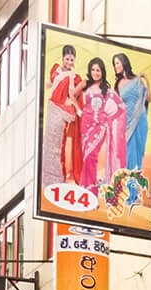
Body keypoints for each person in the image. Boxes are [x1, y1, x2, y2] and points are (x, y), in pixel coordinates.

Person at [77, 56, 126, 190]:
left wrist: (108, 118)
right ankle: (85, 185)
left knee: (91, 156)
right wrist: (78, 110)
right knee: (85, 156)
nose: (95, 73)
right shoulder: (85, 84)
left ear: (102, 71)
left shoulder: (107, 90)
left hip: (100, 126)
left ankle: (90, 187)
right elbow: (72, 94)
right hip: (86, 125)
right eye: (93, 70)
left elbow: (120, 107)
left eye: (98, 70)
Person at [40, 43, 84, 191]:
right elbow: (48, 84)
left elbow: (72, 95)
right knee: (48, 144)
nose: (69, 62)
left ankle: (58, 178)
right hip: (52, 108)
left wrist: (77, 109)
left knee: (59, 144)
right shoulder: (56, 69)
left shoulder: (74, 77)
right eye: (67, 59)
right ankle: (46, 179)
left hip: (62, 111)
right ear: (63, 58)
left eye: (72, 59)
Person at [113, 52, 150, 172]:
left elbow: (148, 99)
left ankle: (135, 181)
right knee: (128, 152)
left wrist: (146, 80)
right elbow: (118, 105)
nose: (116, 66)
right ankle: (128, 180)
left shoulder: (136, 80)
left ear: (124, 63)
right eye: (114, 64)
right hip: (127, 122)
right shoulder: (118, 84)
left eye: (117, 63)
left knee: (138, 152)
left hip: (140, 119)